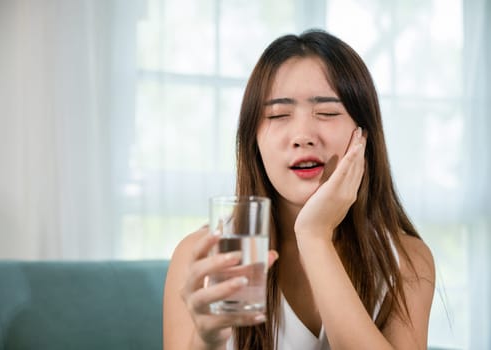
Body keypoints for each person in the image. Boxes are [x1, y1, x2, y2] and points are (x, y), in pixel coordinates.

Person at [163, 29, 435, 350]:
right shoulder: (206, 256)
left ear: (364, 136)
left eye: (327, 113)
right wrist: (206, 341)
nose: (303, 135)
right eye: (279, 115)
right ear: (254, 141)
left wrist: (314, 235)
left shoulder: (404, 260)